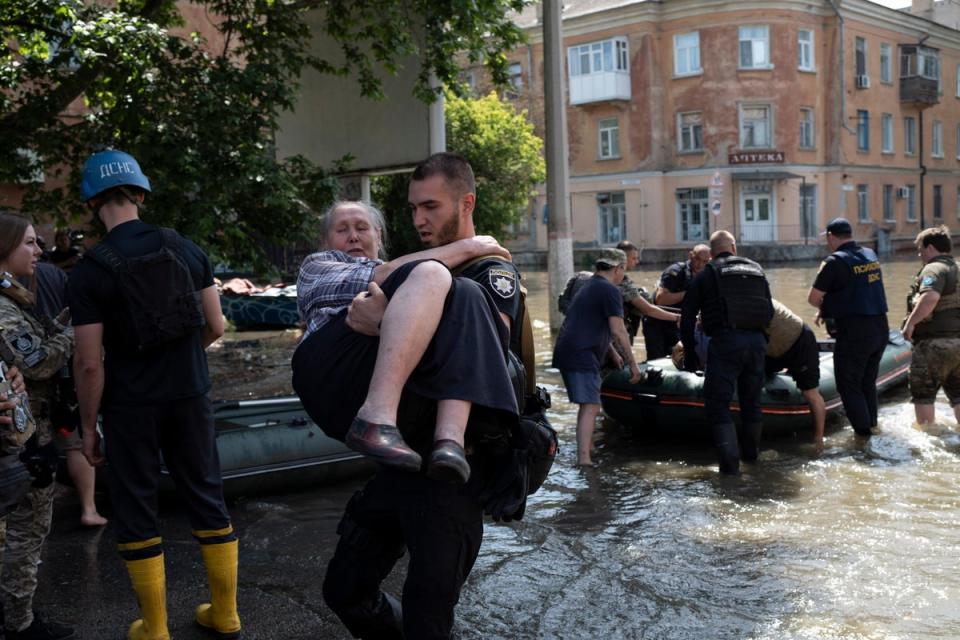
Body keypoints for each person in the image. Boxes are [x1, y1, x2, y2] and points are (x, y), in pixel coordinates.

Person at [321, 152, 529, 639]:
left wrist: (384, 324)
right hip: (399, 461)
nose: (418, 219)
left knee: (428, 618)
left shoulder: (487, 272)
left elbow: (490, 355)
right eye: (413, 208)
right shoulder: (418, 268)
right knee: (344, 590)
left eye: (431, 207)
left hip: (452, 475)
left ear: (466, 203)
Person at [68, 150, 239, 640]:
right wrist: (183, 358)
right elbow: (215, 325)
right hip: (190, 393)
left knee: (137, 506)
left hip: (130, 406)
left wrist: (87, 426)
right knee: (207, 495)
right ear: (140, 193)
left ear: (93, 202)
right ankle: (226, 614)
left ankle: (156, 628)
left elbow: (89, 362)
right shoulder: (187, 249)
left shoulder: (90, 272)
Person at [292, 200, 518, 484]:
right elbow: (385, 274)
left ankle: (449, 441)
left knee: (467, 292)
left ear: (378, 236)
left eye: (362, 228)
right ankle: (376, 416)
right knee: (432, 272)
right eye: (342, 230)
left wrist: (383, 321)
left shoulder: (408, 286)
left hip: (387, 377)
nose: (353, 236)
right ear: (325, 241)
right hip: (330, 370)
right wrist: (471, 246)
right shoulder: (317, 266)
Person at [0, 213, 76, 640]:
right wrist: (74, 331)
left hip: (28, 430)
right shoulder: (3, 306)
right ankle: (19, 624)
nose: (39, 250)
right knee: (26, 533)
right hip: (20, 438)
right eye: (29, 243)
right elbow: (38, 361)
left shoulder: (14, 298)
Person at [680, 230, 773, 475]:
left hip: (726, 342)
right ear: (733, 247)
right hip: (757, 343)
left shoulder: (708, 273)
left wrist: (690, 353)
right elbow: (769, 311)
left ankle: (730, 472)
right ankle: (752, 461)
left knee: (718, 406)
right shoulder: (756, 269)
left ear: (711, 253)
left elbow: (687, 316)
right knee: (752, 403)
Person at [28, 261, 106, 527]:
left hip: (32, 383)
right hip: (62, 373)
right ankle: (88, 509)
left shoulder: (16, 284)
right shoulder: (54, 275)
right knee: (72, 441)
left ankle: (35, 521)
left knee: (37, 445)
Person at [553, 248, 641, 467]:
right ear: (619, 268)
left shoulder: (590, 285)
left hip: (570, 350)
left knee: (589, 405)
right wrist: (633, 364)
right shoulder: (610, 290)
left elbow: (591, 322)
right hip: (580, 353)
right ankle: (584, 460)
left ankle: (588, 448)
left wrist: (611, 352)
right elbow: (619, 330)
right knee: (591, 406)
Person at [808, 217, 888, 438]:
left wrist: (824, 308)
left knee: (848, 384)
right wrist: (830, 307)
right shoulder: (870, 255)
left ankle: (863, 439)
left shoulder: (834, 262)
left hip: (856, 333)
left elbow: (813, 298)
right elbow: (859, 290)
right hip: (880, 328)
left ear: (831, 237)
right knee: (867, 382)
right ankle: (872, 424)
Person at [902, 225, 960, 426]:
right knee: (958, 395)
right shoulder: (958, 268)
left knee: (923, 394)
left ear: (931, 248)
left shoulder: (934, 269)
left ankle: (928, 438)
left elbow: (930, 297)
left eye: (920, 249)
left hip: (934, 345)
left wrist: (910, 324)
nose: (920, 254)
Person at [765, 299, 826, 449]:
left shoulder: (756, 298)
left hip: (799, 342)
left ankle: (819, 439)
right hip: (772, 350)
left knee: (810, 392)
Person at [644, 243, 711, 360]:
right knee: (657, 358)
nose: (700, 265)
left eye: (705, 262)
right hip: (658, 322)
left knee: (680, 356)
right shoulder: (676, 271)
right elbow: (661, 299)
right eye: (697, 260)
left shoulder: (706, 275)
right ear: (691, 256)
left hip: (680, 322)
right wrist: (690, 293)